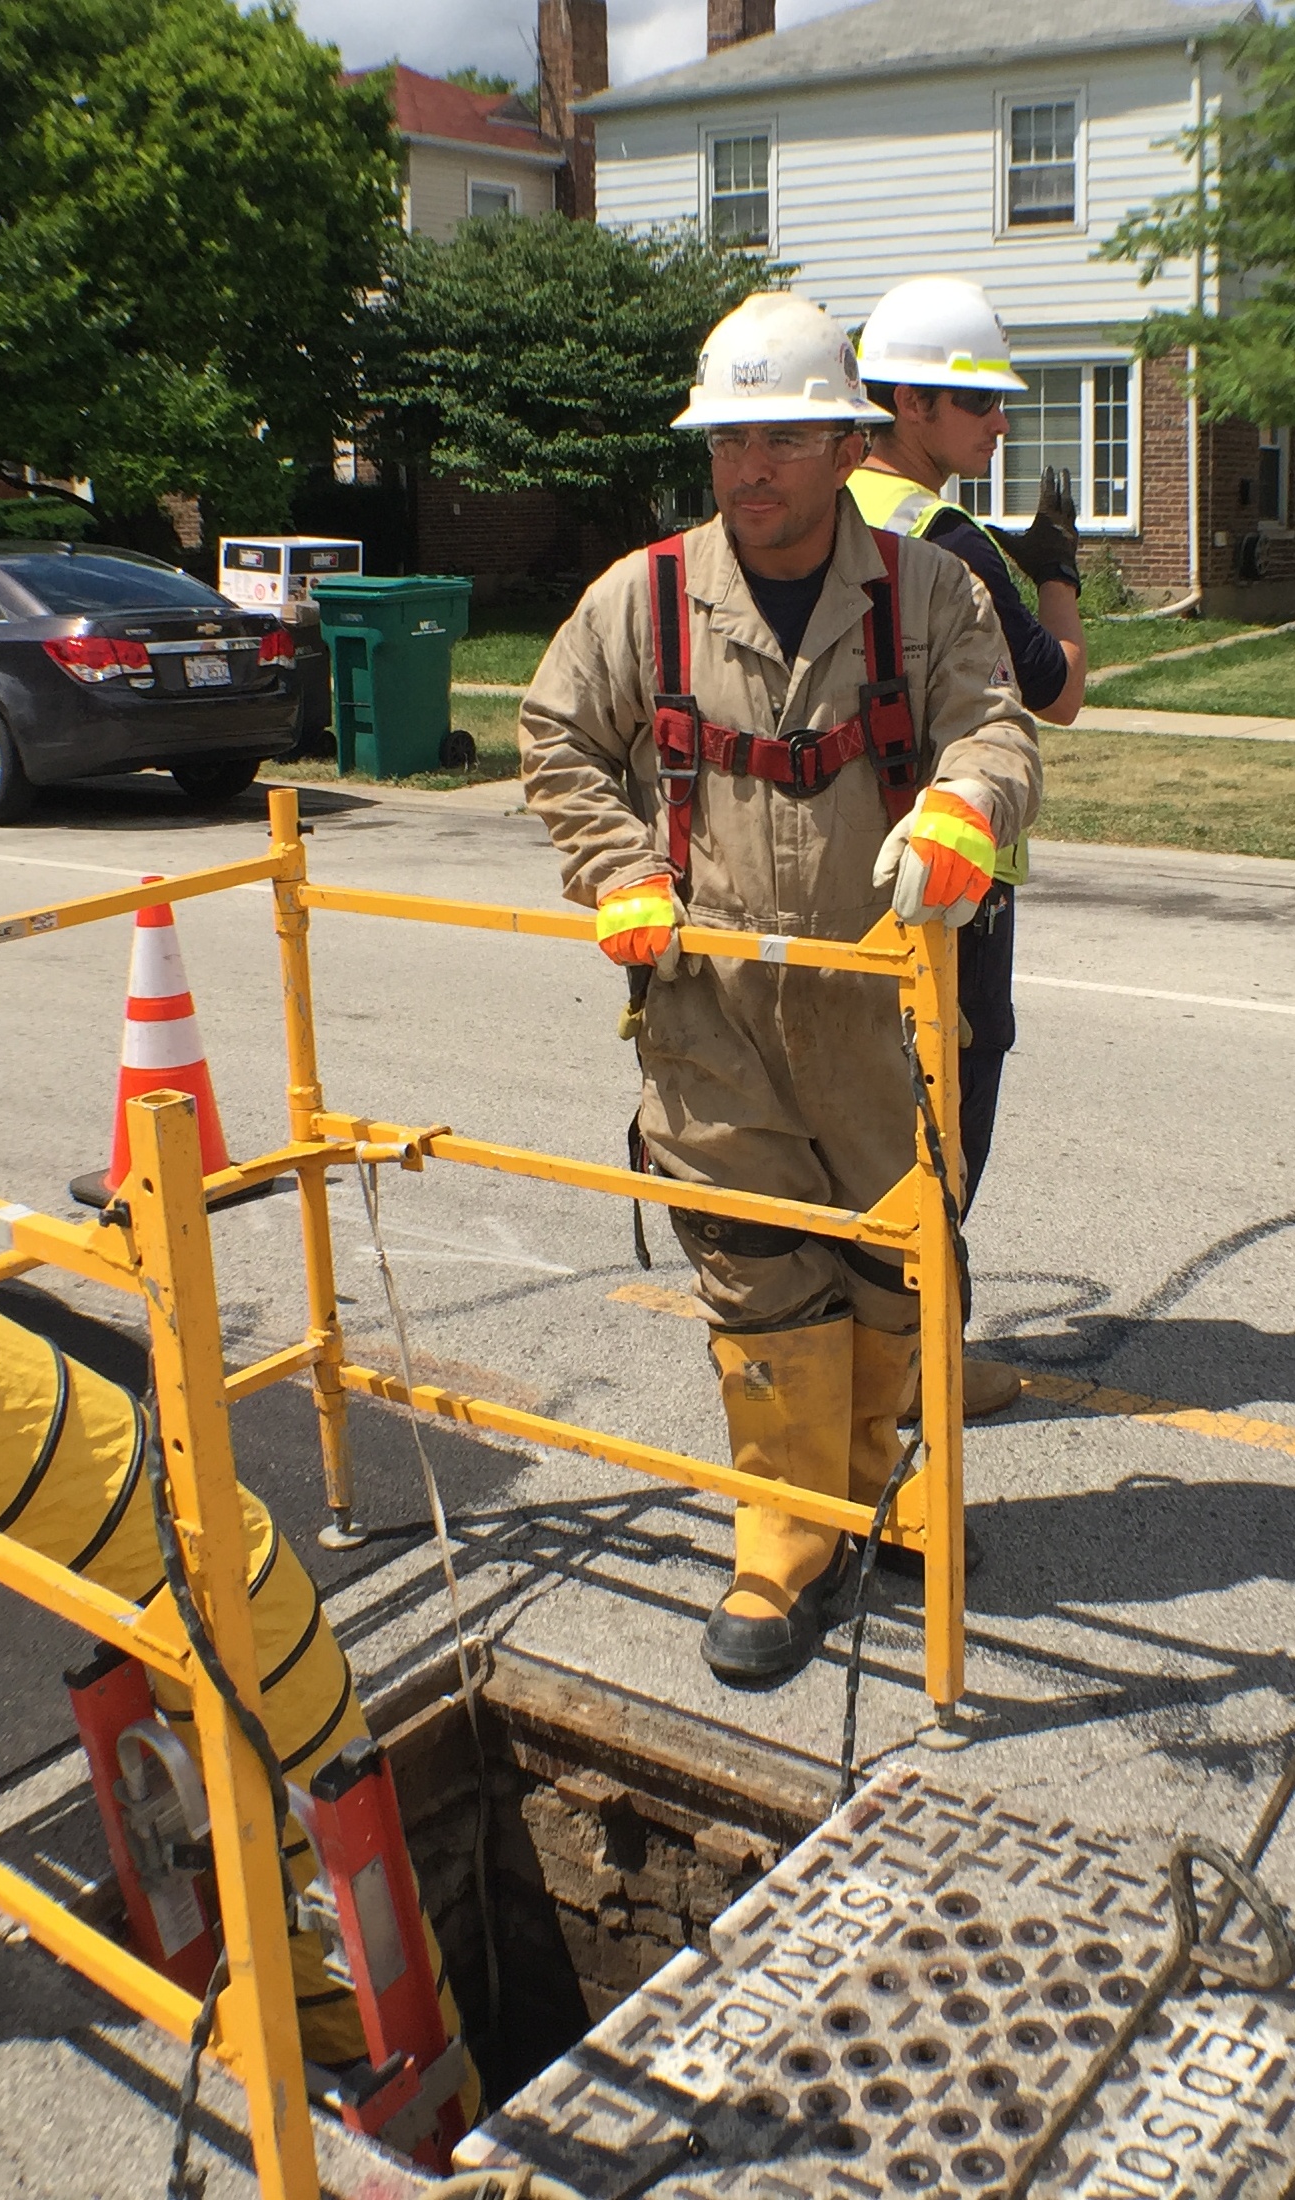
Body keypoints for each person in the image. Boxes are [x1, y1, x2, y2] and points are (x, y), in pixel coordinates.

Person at [518, 293, 1042, 1688]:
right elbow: (553, 738)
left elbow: (995, 730)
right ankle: (785, 1539)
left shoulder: (927, 592)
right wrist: (619, 869)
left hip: (882, 1004)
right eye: (726, 439)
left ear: (842, 441)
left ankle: (889, 1489)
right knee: (757, 1279)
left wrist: (961, 813)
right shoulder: (640, 597)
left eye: (779, 439)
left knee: (891, 1264)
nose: (748, 468)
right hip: (712, 1019)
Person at [852, 275, 1087, 1418]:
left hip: (847, 857)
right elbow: (1059, 691)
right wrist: (1058, 572)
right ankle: (916, 1365)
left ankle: (864, 1348)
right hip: (951, 874)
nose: (1000, 421)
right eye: (976, 402)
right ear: (906, 404)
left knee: (856, 1113)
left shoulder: (820, 508)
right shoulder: (951, 540)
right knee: (942, 1116)